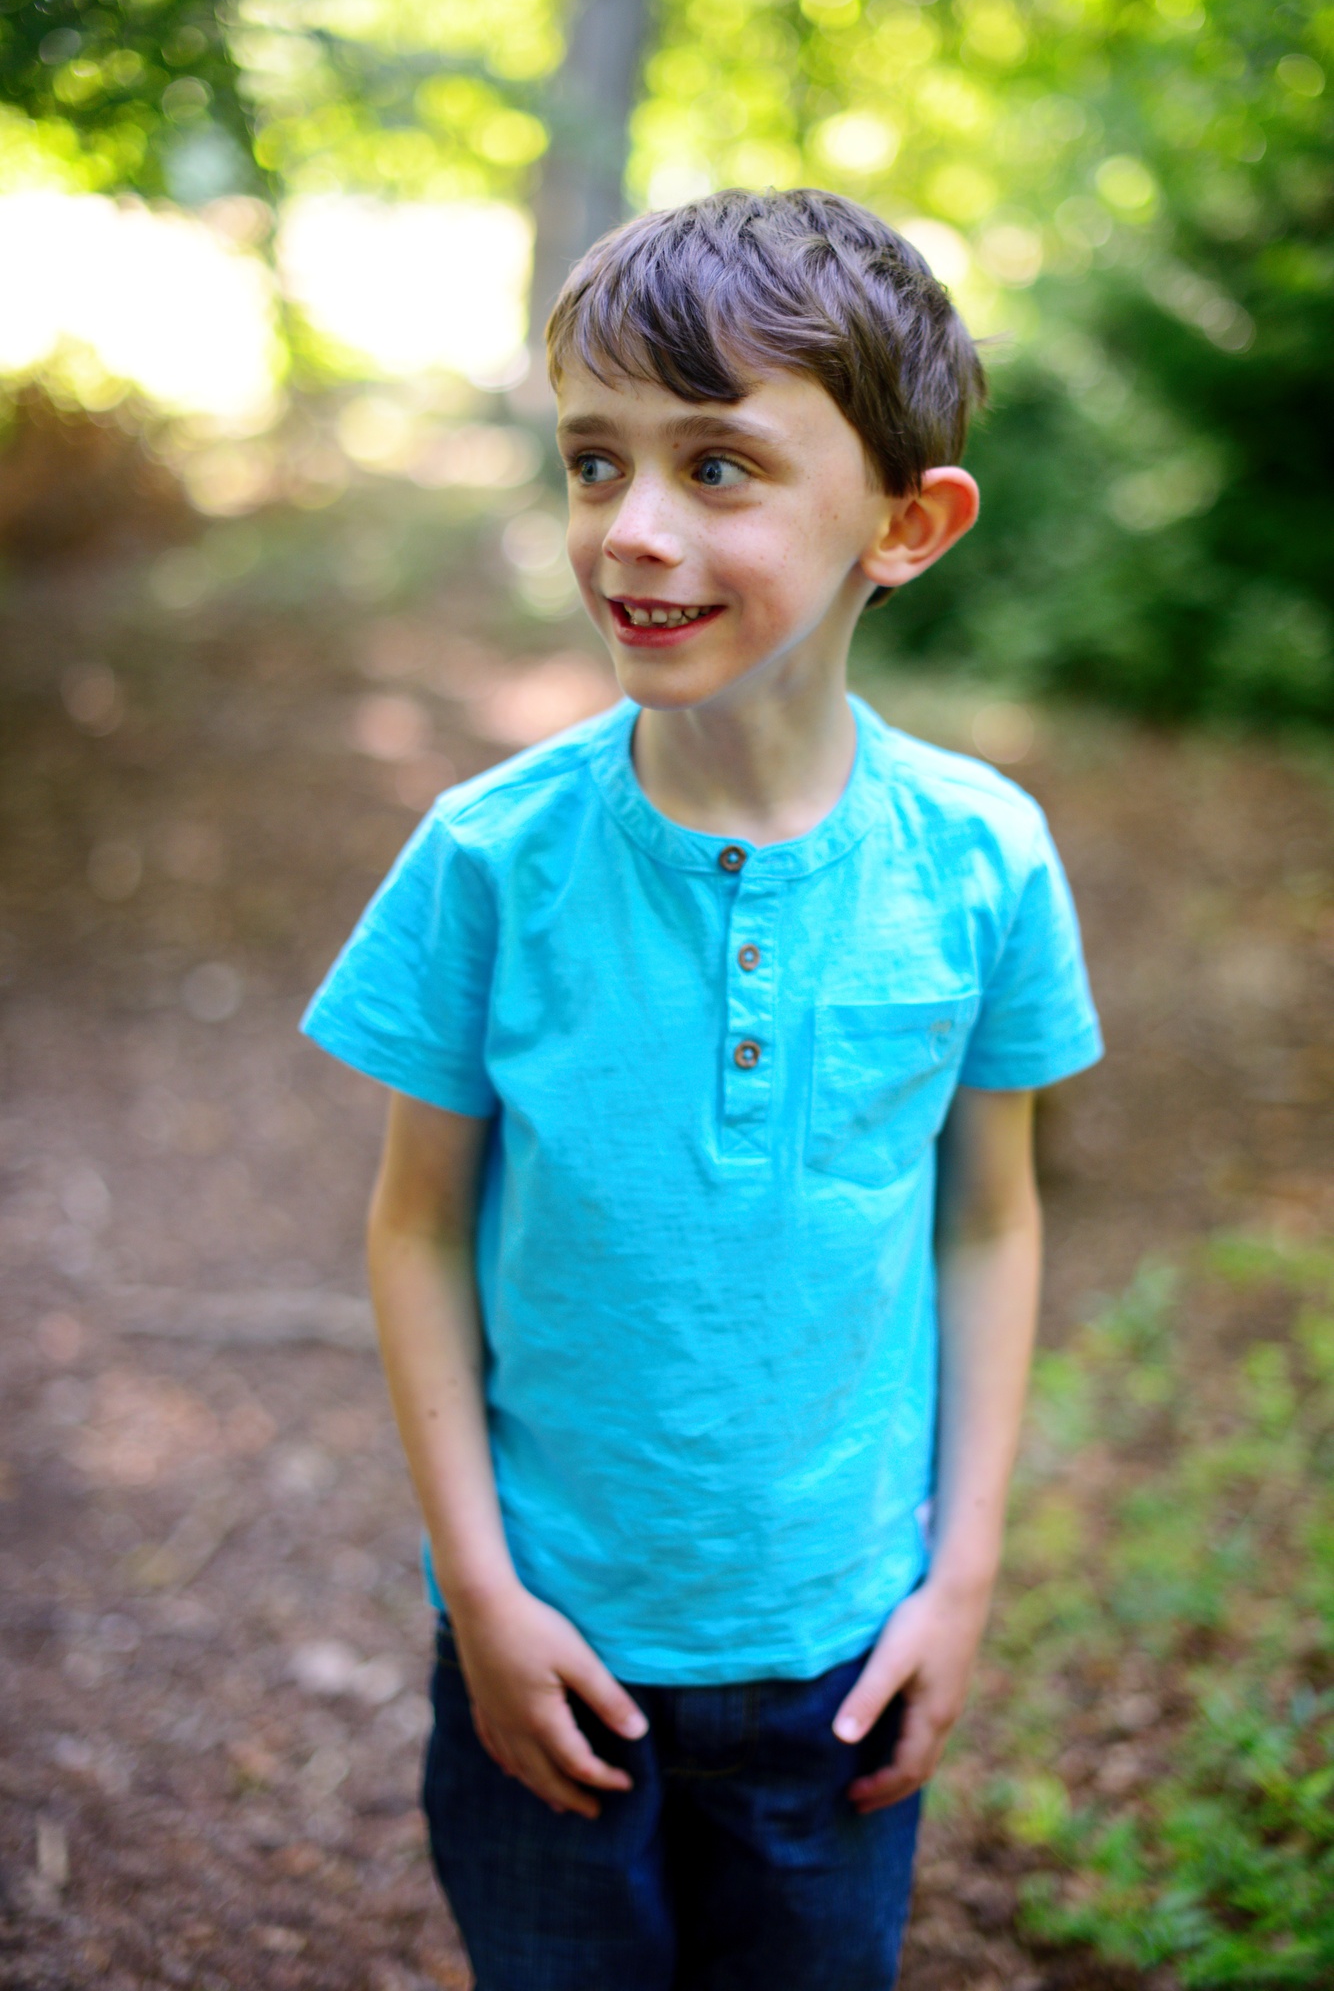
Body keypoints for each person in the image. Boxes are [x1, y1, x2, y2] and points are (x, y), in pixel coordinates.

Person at [301, 188, 1102, 1990]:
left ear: (906, 524)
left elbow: (990, 1221)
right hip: (552, 1644)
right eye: (594, 462)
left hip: (841, 1653)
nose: (630, 531)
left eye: (717, 467)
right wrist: (482, 1595)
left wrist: (959, 1575)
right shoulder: (490, 857)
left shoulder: (982, 860)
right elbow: (415, 1228)